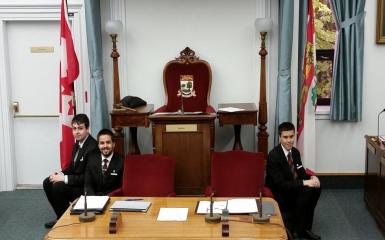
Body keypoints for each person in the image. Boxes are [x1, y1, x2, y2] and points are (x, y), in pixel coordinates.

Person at [265, 122, 321, 240]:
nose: (289, 140)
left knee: (316, 187)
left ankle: (306, 227)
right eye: (285, 137)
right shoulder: (273, 156)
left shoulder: (295, 152)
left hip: (293, 187)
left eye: (291, 136)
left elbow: (301, 173)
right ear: (280, 137)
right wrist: (304, 183)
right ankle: (297, 230)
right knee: (307, 191)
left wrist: (312, 178)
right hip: (279, 193)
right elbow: (280, 184)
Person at [43, 114, 98, 228]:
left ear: (87, 129)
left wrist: (65, 179)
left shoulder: (93, 147)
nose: (77, 132)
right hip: (76, 182)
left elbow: (88, 178)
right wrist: (60, 174)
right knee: (47, 182)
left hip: (87, 187)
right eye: (74, 128)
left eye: (80, 128)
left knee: (58, 186)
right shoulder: (77, 144)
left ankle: (67, 222)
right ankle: (61, 217)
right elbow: (73, 167)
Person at [85, 129, 123, 196]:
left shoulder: (122, 161)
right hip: (95, 200)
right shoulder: (91, 159)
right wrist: (93, 199)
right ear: (98, 145)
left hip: (113, 199)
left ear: (113, 144)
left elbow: (122, 187)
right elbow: (88, 184)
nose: (105, 146)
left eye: (108, 142)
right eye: (102, 143)